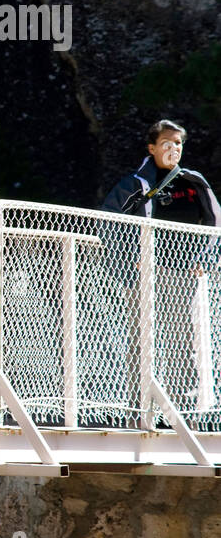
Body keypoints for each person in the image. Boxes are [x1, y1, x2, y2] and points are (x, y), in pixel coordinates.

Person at [99, 119, 220, 422]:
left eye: (178, 143)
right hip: (145, 275)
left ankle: (186, 415)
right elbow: (107, 221)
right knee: (142, 342)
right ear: (152, 147)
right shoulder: (135, 184)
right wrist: (128, 264)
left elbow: (215, 223)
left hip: (184, 276)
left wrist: (203, 261)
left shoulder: (194, 182)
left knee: (184, 343)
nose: (173, 148)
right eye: (167, 142)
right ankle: (140, 412)